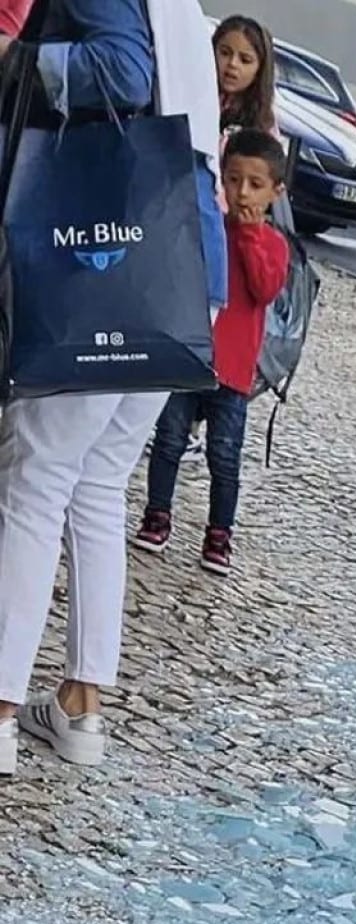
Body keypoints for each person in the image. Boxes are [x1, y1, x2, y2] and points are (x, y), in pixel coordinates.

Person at [0, 0, 226, 776]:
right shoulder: (185, 9)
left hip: (110, 253)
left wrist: (19, 63)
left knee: (37, 479)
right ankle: (81, 705)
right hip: (183, 263)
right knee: (98, 484)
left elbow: (124, 72)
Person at [135, 130, 289, 575]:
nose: (243, 192)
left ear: (275, 192)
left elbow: (263, 287)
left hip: (234, 372)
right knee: (168, 441)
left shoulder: (273, 245)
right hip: (191, 356)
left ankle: (220, 532)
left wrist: (248, 236)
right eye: (235, 179)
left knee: (224, 455)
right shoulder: (209, 230)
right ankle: (157, 513)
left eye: (256, 185)